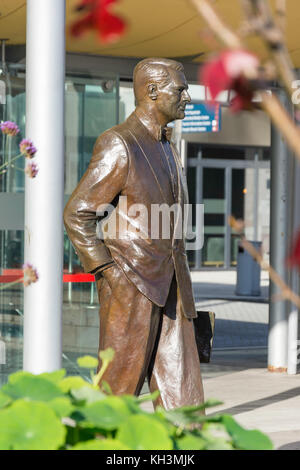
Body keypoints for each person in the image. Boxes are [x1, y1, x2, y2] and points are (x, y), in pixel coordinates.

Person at [64, 58, 205, 410]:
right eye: (181, 89)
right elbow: (78, 213)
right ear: (153, 92)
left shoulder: (166, 146)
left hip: (173, 288)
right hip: (130, 284)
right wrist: (109, 272)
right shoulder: (119, 143)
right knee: (116, 395)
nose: (188, 97)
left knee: (183, 399)